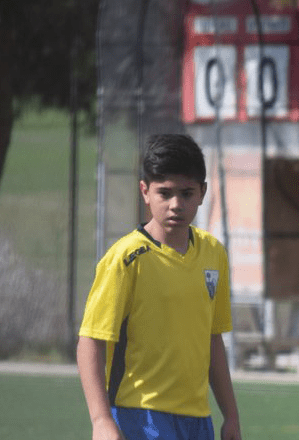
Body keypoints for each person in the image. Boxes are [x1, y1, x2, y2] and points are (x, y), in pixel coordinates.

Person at [77, 134, 242, 440]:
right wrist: (100, 420)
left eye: (186, 193)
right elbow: (91, 341)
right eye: (164, 193)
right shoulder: (126, 258)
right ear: (145, 191)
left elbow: (212, 339)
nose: (176, 204)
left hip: (197, 420)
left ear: (203, 192)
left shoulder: (213, 254)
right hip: (140, 416)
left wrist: (230, 414)